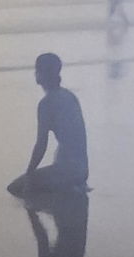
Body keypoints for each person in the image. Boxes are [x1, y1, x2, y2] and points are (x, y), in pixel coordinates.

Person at [7, 53, 89, 197]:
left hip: (66, 172)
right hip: (82, 169)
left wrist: (29, 176)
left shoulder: (46, 104)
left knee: (14, 188)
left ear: (42, 74)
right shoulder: (70, 96)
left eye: (37, 70)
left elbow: (41, 145)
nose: (35, 74)